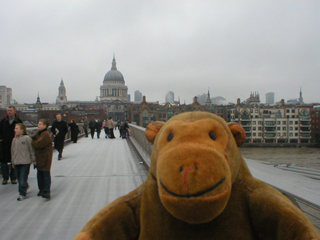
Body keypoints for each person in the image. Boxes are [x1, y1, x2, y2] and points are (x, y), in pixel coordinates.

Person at [11, 123, 36, 201]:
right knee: (19, 178)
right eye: (15, 128)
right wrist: (13, 162)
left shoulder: (27, 138)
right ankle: (25, 186)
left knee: (23, 178)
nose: (15, 130)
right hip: (17, 162)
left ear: (22, 130)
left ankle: (22, 193)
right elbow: (12, 151)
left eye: (17, 128)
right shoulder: (14, 140)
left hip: (25, 162)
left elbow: (31, 149)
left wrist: (34, 159)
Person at [0, 106, 22, 185]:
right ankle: (5, 177)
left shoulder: (18, 122)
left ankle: (13, 177)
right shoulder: (3, 121)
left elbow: (22, 132)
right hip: (4, 144)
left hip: (15, 144)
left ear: (14, 112)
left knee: (15, 161)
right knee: (3, 161)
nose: (9, 112)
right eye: (8, 110)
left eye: (10, 110)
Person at [31, 119, 53, 199]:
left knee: (45, 174)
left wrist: (32, 142)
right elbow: (33, 138)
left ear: (45, 126)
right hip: (40, 158)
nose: (38, 125)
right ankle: (42, 190)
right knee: (40, 174)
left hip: (45, 158)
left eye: (40, 124)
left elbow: (38, 144)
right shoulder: (40, 133)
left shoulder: (45, 134)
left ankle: (46, 190)